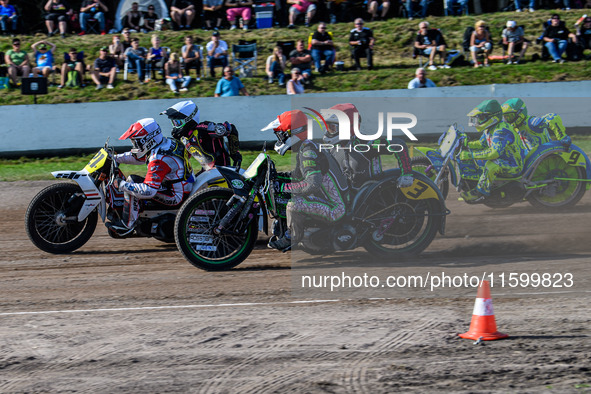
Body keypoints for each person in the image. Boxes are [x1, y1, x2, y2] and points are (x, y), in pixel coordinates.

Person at [261, 110, 348, 252]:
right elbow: (296, 176)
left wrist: (283, 187)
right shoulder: (305, 147)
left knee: (293, 204)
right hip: (326, 199)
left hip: (336, 208)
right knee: (285, 193)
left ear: (293, 132)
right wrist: (276, 177)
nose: (279, 138)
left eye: (282, 134)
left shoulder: (308, 151)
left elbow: (312, 184)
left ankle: (292, 238)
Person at [109, 118, 194, 235]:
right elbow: (137, 157)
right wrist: (115, 158)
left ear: (147, 140)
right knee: (134, 182)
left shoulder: (158, 159)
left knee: (131, 184)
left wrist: (121, 185)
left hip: (176, 195)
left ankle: (127, 226)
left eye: (136, 142)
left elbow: (149, 191)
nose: (135, 145)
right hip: (184, 185)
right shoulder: (165, 143)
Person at [323, 103, 414, 189]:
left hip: (373, 196)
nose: (329, 132)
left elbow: (399, 144)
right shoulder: (333, 148)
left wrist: (407, 174)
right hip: (349, 196)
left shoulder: (367, 143)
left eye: (332, 128)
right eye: (328, 128)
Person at [458, 99, 526, 202]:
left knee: (492, 164)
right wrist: (465, 144)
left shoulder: (501, 131)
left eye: (481, 118)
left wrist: (470, 155)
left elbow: (494, 153)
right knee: (481, 161)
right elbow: (481, 144)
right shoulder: (490, 129)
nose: (478, 121)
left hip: (513, 165)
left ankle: (480, 193)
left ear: (492, 117)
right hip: (503, 160)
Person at [161, 100, 242, 170]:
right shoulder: (184, 138)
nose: (175, 127)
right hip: (207, 172)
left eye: (178, 123)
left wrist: (235, 153)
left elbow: (231, 128)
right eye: (173, 123)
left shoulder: (205, 129)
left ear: (189, 119)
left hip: (223, 171)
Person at [501, 98, 571, 152]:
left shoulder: (531, 122)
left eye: (510, 116)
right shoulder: (515, 128)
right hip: (530, 160)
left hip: (544, 157)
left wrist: (562, 136)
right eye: (505, 117)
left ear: (520, 113)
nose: (507, 120)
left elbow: (553, 118)